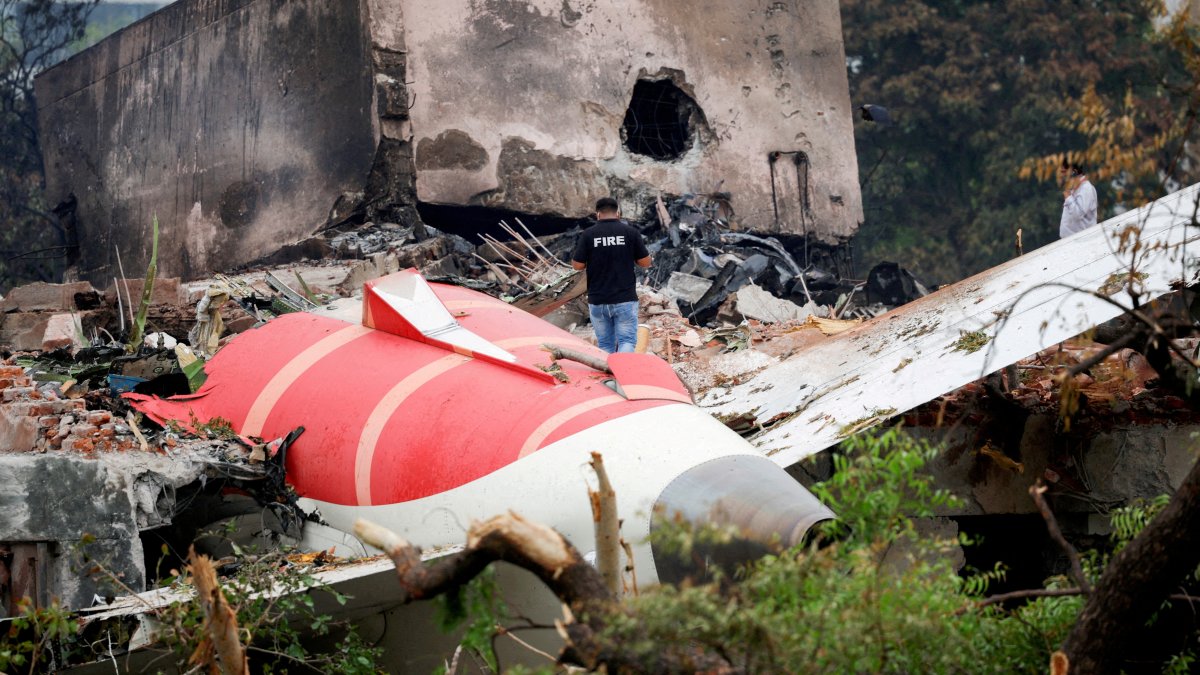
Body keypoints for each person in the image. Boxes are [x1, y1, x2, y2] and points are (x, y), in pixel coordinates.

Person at [571, 197, 651, 353]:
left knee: (605, 345)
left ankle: (608, 377)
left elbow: (577, 265)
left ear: (598, 214)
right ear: (618, 213)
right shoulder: (630, 233)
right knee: (626, 341)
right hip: (625, 299)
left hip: (598, 300)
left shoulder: (588, 235)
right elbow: (645, 263)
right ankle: (622, 376)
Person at [1059, 160, 1098, 239]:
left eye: (1064, 172)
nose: (1061, 175)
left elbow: (1078, 214)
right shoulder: (1075, 188)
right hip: (1072, 241)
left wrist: (1068, 197)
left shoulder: (1086, 188)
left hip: (1082, 241)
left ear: (1074, 172)